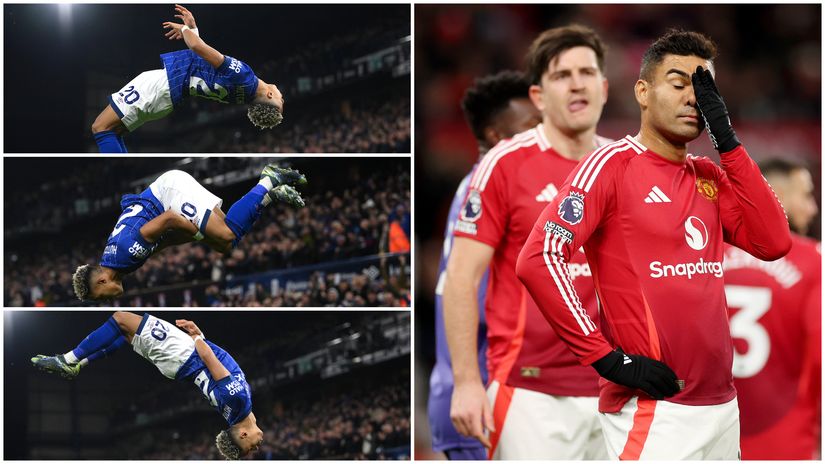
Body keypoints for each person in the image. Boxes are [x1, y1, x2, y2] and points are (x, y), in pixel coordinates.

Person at [516, 29, 792, 459]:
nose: (693, 99)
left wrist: (728, 142)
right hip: (655, 409)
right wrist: (607, 360)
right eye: (679, 84)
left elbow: (774, 241)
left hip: (722, 405)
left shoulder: (709, 176)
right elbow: (539, 258)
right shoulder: (611, 166)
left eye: (704, 89)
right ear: (643, 92)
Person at [444, 26, 611, 459]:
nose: (577, 83)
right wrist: (466, 382)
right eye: (561, 75)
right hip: (530, 391)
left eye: (587, 72)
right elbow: (460, 279)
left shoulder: (626, 164)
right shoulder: (504, 164)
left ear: (605, 87)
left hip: (619, 389)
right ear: (539, 96)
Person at [428, 70, 541, 460]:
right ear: (497, 137)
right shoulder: (484, 193)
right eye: (532, 126)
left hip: (487, 392)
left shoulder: (482, 189)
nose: (544, 136)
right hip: (481, 395)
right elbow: (474, 300)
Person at [31, 311, 262, 459]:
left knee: (120, 319)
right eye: (252, 450)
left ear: (242, 434)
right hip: (179, 364)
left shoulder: (238, 401)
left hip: (182, 354)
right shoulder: (235, 414)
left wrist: (197, 335)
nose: (256, 447)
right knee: (126, 335)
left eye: (250, 448)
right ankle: (82, 362)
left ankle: (68, 359)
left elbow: (210, 360)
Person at [72, 165, 306, 302]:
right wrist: (197, 236)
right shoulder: (115, 261)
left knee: (225, 235)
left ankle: (269, 180)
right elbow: (164, 241)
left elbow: (171, 219)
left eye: (101, 297)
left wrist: (197, 236)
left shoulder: (124, 255)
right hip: (165, 198)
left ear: (102, 280)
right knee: (226, 245)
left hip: (170, 193)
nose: (108, 301)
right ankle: (270, 195)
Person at [722, 159, 820, 460]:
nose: (813, 208)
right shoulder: (814, 262)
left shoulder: (704, 258)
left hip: (711, 437)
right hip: (787, 441)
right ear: (775, 194)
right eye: (805, 195)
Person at [91, 5, 285, 153]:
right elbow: (204, 70)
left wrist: (186, 30)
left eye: (281, 100)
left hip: (162, 85)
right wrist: (193, 29)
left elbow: (197, 48)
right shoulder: (242, 95)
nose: (282, 95)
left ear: (269, 95)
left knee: (100, 127)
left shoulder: (244, 77)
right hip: (167, 96)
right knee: (113, 132)